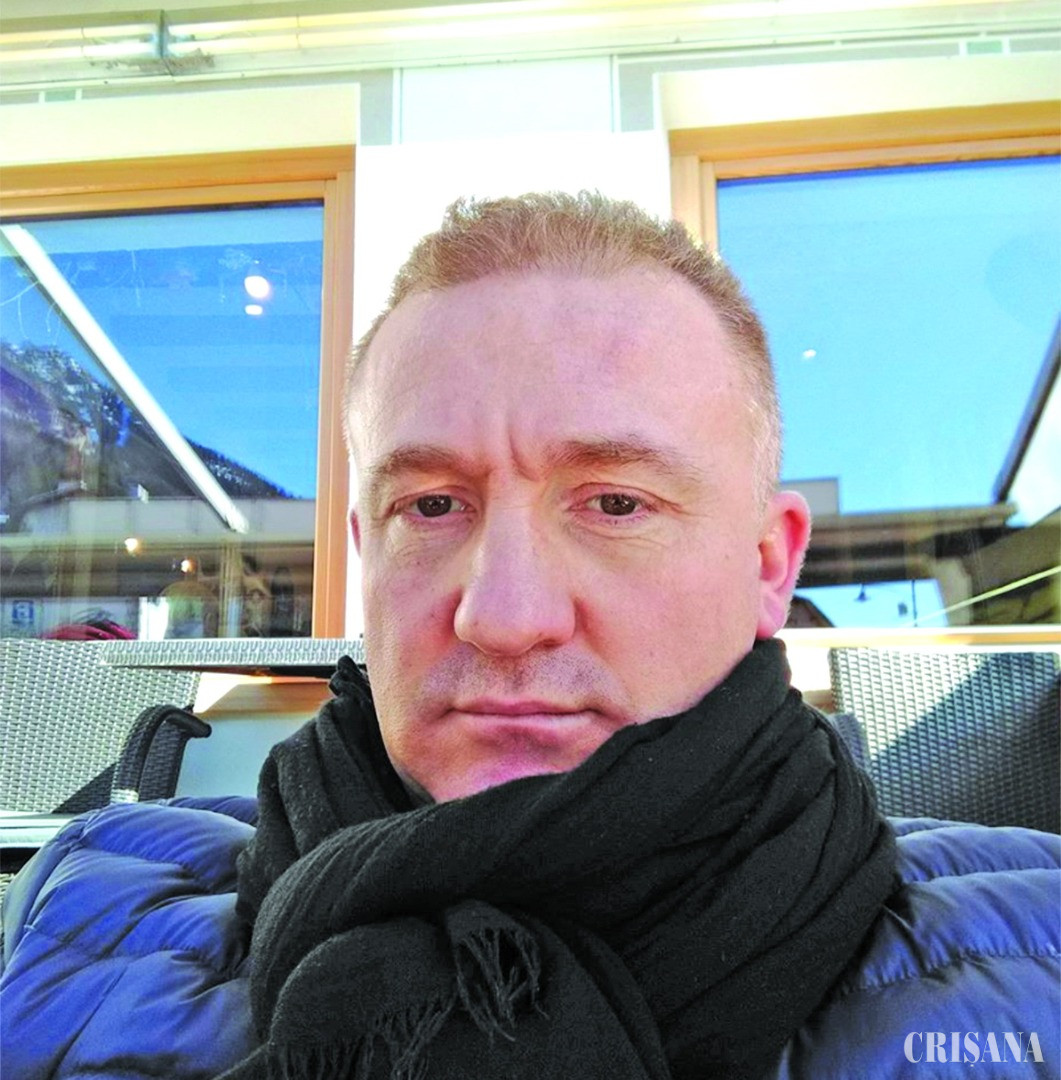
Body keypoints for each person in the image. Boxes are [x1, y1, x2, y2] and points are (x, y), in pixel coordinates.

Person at [1, 192, 1057, 1080]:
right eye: (430, 506)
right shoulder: (77, 905)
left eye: (614, 503)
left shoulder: (1037, 955)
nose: (502, 616)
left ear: (767, 566)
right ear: (367, 553)